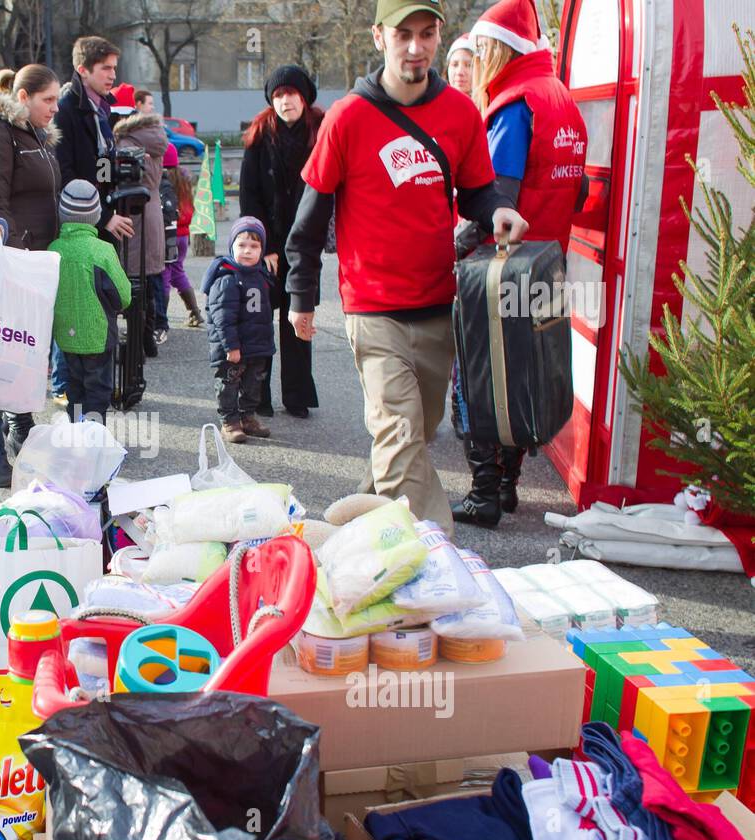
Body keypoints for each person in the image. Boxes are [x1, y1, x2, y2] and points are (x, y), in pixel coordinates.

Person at [284, 0, 529, 533]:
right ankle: (426, 559)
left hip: (438, 302)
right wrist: (301, 298)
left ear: (440, 37)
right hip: (372, 306)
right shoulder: (349, 117)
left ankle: (356, 531)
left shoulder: (461, 113)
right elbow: (309, 218)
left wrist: (499, 210)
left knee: (413, 437)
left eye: (427, 34)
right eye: (403, 35)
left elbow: (478, 193)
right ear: (379, 37)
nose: (415, 47)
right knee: (397, 430)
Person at [450, 0, 588, 527]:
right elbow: (576, 190)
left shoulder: (514, 105)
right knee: (523, 375)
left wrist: (453, 247)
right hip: (548, 262)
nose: (477, 58)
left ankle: (484, 493)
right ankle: (506, 486)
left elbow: (498, 201)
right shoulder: (562, 101)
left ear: (498, 48)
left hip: (502, 268)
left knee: (481, 378)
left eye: (481, 48)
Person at [0, 63, 64, 484]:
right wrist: (9, 260)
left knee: (21, 356)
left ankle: (20, 434)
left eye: (58, 99)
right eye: (48, 100)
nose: (55, 108)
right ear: (22, 98)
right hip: (10, 265)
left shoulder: (36, 137)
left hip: (33, 265)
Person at [239, 64, 325, 419]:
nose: (285, 101)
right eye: (278, 96)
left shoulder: (321, 133)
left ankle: (298, 394)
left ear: (304, 97)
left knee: (298, 320)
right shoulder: (259, 136)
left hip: (305, 244)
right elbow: (250, 195)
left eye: (291, 94)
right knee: (259, 320)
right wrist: (265, 246)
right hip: (268, 247)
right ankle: (258, 395)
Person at [50, 180, 132, 425]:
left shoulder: (53, 249)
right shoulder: (103, 251)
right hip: (98, 335)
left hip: (65, 335)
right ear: (96, 215)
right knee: (98, 389)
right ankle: (94, 436)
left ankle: (75, 429)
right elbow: (123, 295)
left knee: (74, 387)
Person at [54, 36, 133, 244]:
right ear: (83, 70)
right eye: (105, 68)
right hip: (79, 228)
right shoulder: (65, 112)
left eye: (114, 68)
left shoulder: (100, 111)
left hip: (102, 222)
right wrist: (104, 217)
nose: (113, 75)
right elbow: (64, 174)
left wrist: (119, 172)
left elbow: (101, 164)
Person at [204, 216, 276, 444]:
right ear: (231, 246)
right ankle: (229, 421)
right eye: (241, 245)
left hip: (255, 345)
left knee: (253, 384)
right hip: (232, 347)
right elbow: (222, 317)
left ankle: (247, 417)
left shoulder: (260, 275)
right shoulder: (227, 278)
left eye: (254, 246)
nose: (247, 251)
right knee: (229, 383)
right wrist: (231, 346)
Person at [113, 92, 169, 351]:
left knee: (133, 284)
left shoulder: (125, 144)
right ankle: (148, 340)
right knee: (147, 283)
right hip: (152, 214)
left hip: (131, 214)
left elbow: (110, 178)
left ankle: (137, 343)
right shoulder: (155, 141)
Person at [160, 143, 203, 328]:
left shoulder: (162, 181)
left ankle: (161, 319)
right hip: (183, 235)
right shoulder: (184, 180)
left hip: (168, 234)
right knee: (178, 272)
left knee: (164, 274)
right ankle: (195, 312)